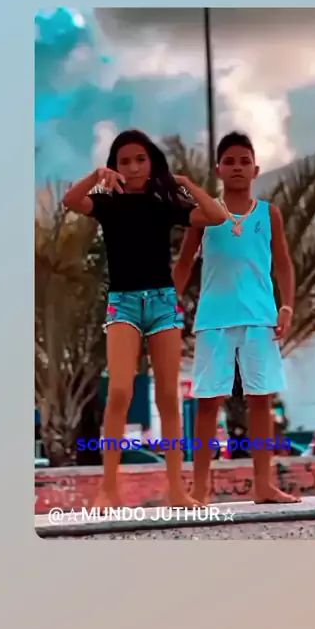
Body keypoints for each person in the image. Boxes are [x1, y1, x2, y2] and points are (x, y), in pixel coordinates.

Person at [63, 129, 226, 508]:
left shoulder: (162, 202)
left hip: (163, 304)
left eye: (140, 159)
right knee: (120, 391)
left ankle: (176, 490)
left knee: (169, 396)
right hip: (123, 305)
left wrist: (185, 184)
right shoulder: (107, 203)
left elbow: (216, 216)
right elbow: (71, 200)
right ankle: (108, 489)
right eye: (125, 161)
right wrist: (96, 175)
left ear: (151, 163)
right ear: (115, 166)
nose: (133, 167)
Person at [173, 131, 300, 505]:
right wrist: (166, 304)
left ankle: (263, 484)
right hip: (213, 320)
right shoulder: (204, 214)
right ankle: (200, 487)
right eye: (229, 161)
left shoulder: (269, 214)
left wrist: (287, 307)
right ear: (218, 169)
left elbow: (284, 263)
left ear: (256, 169)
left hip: (260, 319)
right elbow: (184, 263)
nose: (237, 167)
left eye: (244, 161)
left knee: (261, 400)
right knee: (208, 401)